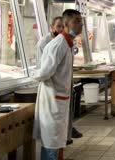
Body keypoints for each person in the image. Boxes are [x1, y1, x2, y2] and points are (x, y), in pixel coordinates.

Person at [33, 10, 83, 160]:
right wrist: (33, 75)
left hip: (60, 99)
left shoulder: (68, 43)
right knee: (51, 144)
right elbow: (44, 73)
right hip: (52, 101)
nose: (80, 25)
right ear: (66, 24)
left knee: (56, 142)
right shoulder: (58, 45)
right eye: (76, 21)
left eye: (81, 21)